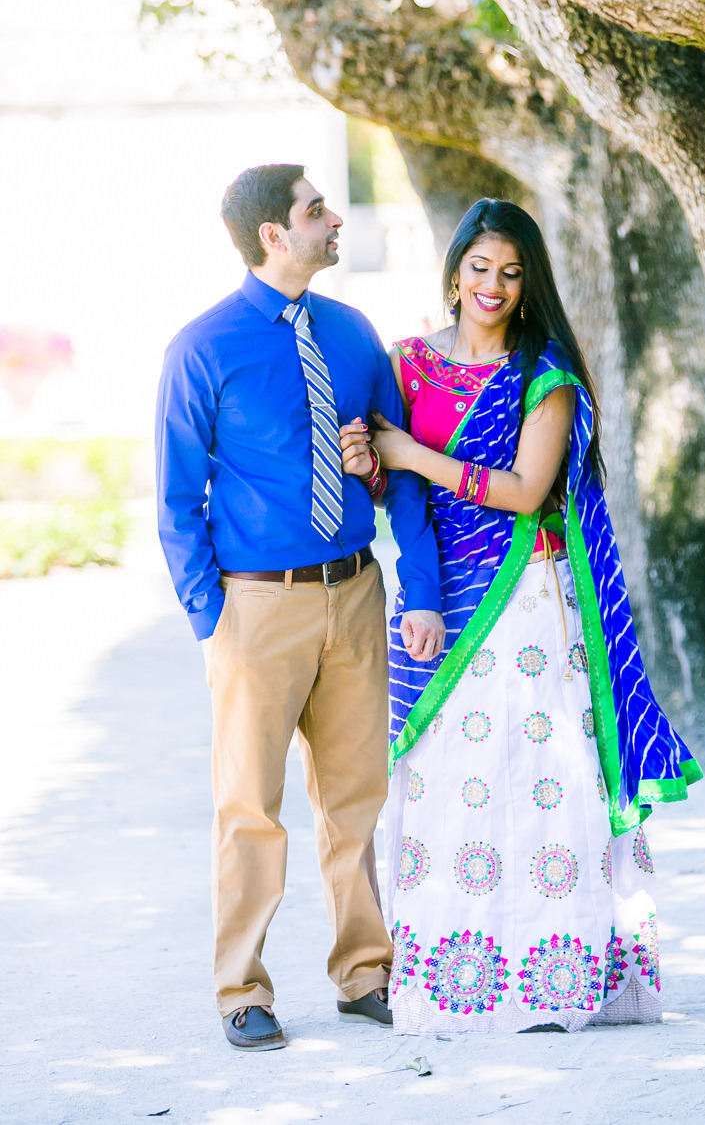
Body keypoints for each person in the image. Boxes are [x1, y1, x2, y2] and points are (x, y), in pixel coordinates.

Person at [341, 198, 701, 1034]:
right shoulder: (409, 365)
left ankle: (553, 982)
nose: (493, 286)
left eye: (510, 273)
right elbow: (401, 499)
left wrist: (409, 453)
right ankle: (452, 981)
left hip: (532, 607)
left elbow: (525, 494)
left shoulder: (546, 377)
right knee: (441, 783)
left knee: (540, 781)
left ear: (528, 282)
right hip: (443, 604)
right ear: (455, 268)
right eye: (480, 268)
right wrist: (376, 468)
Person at [155, 163, 444, 1051]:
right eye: (317, 210)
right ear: (274, 235)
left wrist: (417, 592)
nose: (334, 220)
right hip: (258, 610)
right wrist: (217, 619)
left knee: (356, 798)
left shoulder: (354, 334)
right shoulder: (201, 348)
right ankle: (241, 988)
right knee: (250, 805)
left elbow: (399, 476)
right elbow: (175, 500)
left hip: (356, 593)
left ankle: (365, 976)